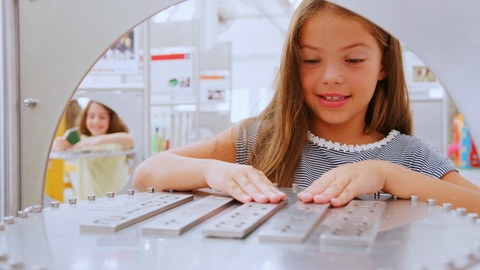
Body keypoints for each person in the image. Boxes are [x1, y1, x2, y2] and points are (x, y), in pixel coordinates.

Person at [132, 0, 480, 213]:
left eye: (354, 59)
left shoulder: (408, 155)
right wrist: (213, 171)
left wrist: (388, 175)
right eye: (311, 60)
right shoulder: (260, 140)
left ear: (384, 64)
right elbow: (147, 173)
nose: (331, 76)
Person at [52, 100, 134, 200]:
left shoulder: (117, 142)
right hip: (85, 201)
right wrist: (57, 145)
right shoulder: (80, 140)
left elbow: (131, 139)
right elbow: (55, 146)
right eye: (91, 116)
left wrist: (99, 139)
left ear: (111, 119)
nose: (96, 121)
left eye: (102, 117)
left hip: (115, 200)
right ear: (85, 118)